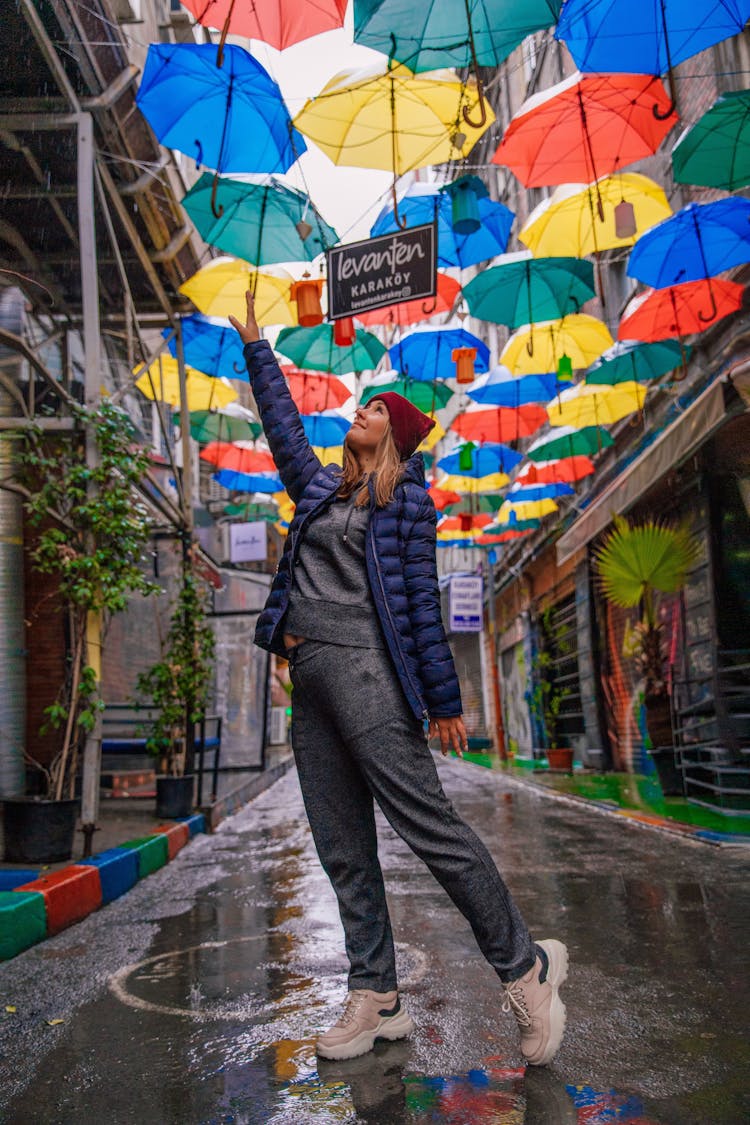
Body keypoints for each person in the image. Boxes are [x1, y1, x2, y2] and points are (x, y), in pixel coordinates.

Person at [229, 293, 568, 1066]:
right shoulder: (321, 491)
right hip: (310, 683)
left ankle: (526, 968)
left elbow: (421, 605)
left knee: (431, 828)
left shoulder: (405, 504)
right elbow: (284, 430)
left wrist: (444, 699)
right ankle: (376, 993)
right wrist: (257, 347)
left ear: (397, 439)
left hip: (367, 675)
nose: (361, 410)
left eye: (375, 409)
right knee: (342, 845)